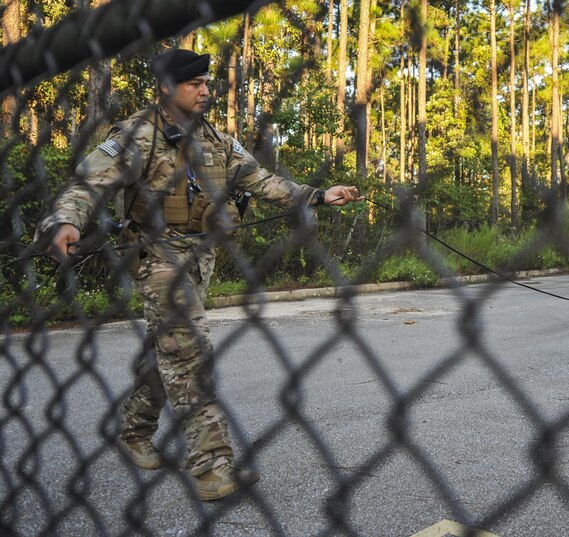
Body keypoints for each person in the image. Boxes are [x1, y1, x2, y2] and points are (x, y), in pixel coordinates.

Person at [35, 49, 362, 501]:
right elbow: (90, 182)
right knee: (190, 346)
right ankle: (212, 466)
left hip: (200, 255)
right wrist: (66, 221)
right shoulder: (138, 134)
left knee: (170, 350)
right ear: (166, 88)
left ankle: (132, 431)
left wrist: (319, 195)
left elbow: (261, 181)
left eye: (208, 83)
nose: (206, 90)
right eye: (195, 84)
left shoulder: (216, 139)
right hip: (155, 254)